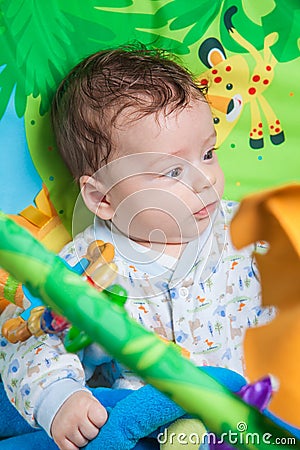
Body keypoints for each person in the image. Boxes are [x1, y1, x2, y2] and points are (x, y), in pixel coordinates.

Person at [0, 45, 275, 450]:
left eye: (209, 153)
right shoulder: (84, 266)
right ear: (104, 198)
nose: (205, 180)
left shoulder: (245, 228)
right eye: (173, 171)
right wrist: (60, 399)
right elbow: (29, 343)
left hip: (245, 407)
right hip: (148, 420)